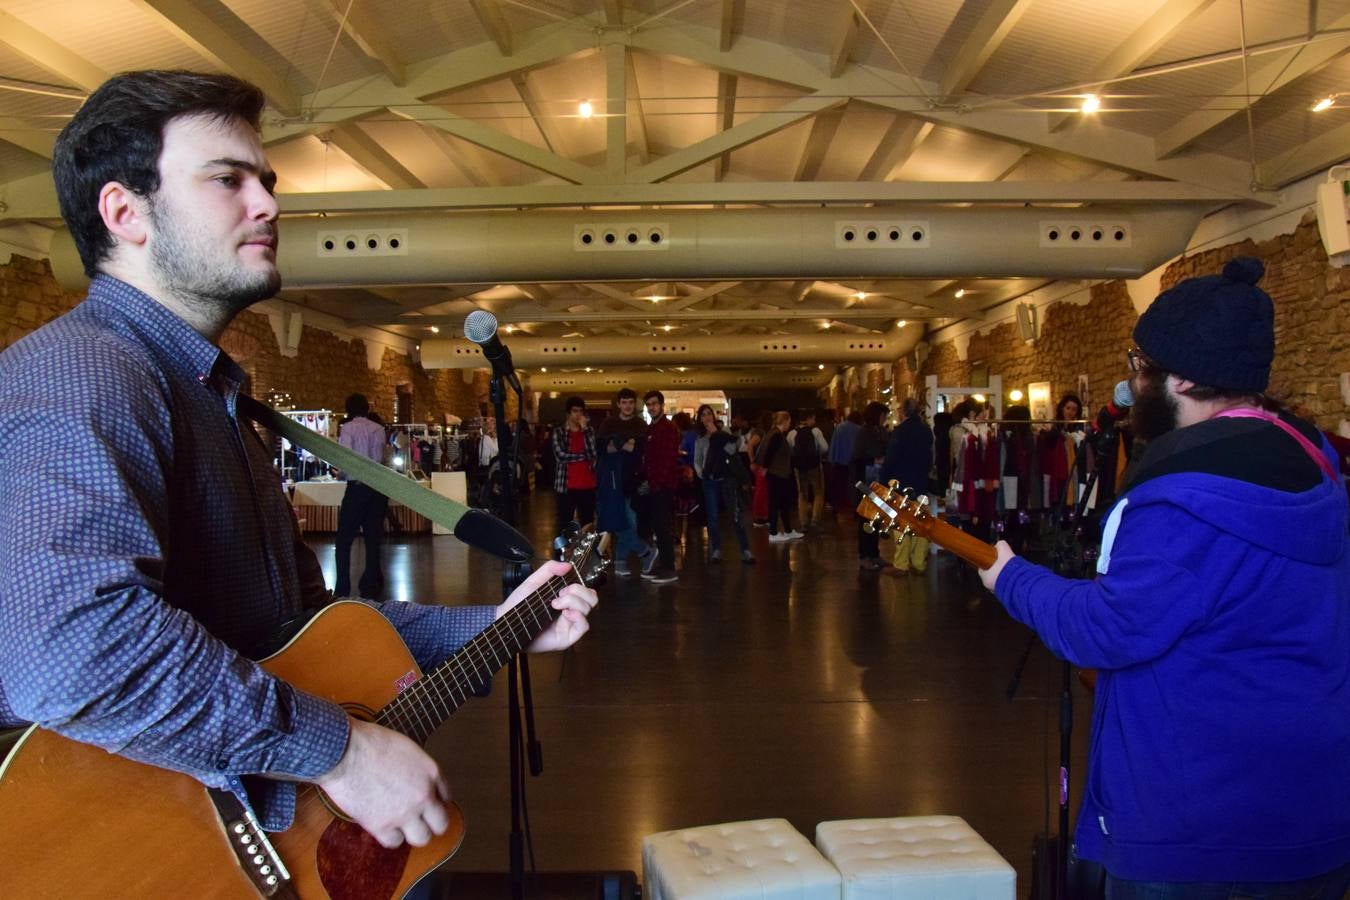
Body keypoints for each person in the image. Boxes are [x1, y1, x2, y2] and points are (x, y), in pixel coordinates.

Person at [0, 70, 597, 853]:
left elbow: (303, 633)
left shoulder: (205, 393)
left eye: (267, 181)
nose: (270, 205)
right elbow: (74, 650)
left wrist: (496, 626)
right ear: (124, 212)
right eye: (228, 180)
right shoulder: (87, 373)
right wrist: (342, 751)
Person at [979, 258, 1350, 896]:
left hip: (1195, 830)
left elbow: (1106, 629)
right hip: (1312, 814)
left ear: (1178, 378)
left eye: (1137, 367)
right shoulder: (1315, 463)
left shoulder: (1180, 497)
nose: (1129, 388)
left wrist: (1013, 578)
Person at [334, 392, 389, 599]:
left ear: (349, 409)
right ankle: (370, 586)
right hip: (376, 489)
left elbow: (346, 457)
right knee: (373, 538)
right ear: (366, 408)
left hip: (356, 488)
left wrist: (341, 473)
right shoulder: (379, 429)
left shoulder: (347, 429)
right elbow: (379, 459)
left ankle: (342, 588)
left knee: (344, 540)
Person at [596, 388, 656, 577]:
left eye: (631, 402)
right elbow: (602, 448)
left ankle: (621, 562)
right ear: (618, 404)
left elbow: (639, 449)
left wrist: (617, 443)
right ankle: (645, 552)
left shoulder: (640, 424)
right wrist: (626, 443)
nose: (628, 406)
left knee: (628, 520)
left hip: (632, 480)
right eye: (624, 402)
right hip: (611, 480)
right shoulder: (608, 423)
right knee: (619, 521)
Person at [693, 404, 754, 564]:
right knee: (712, 517)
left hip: (727, 479)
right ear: (700, 419)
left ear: (713, 416)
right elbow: (697, 461)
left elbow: (732, 450)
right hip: (710, 481)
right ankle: (717, 549)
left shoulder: (723, 432)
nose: (706, 417)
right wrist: (703, 474)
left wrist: (716, 434)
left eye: (709, 414)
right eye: (703, 415)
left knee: (735, 515)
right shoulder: (700, 439)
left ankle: (745, 549)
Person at [881, 397, 933, 575]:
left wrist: (884, 479)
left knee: (902, 522)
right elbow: (929, 458)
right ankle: (919, 561)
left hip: (902, 481)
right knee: (920, 522)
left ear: (903, 412)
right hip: (921, 482)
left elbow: (891, 459)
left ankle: (901, 563)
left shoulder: (900, 432)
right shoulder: (926, 431)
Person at [640, 390, 680, 585]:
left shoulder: (668, 428)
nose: (651, 407)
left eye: (654, 404)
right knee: (658, 526)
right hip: (655, 485)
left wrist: (654, 484)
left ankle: (669, 568)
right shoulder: (652, 428)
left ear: (662, 405)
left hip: (662, 486)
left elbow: (667, 460)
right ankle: (665, 564)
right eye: (649, 404)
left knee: (662, 527)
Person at [851, 402, 890, 569]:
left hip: (878, 481)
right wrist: (875, 460)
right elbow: (857, 458)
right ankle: (865, 555)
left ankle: (874, 553)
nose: (885, 419)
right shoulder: (864, 432)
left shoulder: (879, 431)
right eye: (883, 415)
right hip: (866, 482)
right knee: (867, 519)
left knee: (876, 519)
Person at [551, 396, 597, 532]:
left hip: (588, 485)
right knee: (565, 525)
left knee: (587, 525)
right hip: (566, 486)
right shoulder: (559, 432)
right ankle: (563, 553)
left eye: (581, 411)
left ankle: (585, 553)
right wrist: (583, 456)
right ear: (568, 413)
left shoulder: (588, 432)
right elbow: (561, 456)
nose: (578, 415)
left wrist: (585, 430)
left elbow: (593, 454)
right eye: (575, 411)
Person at [760, 410, 802, 542]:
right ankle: (773, 532)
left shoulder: (772, 433)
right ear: (784, 421)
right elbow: (769, 454)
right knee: (776, 503)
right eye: (789, 421)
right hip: (777, 474)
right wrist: (765, 468)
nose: (790, 423)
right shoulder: (777, 435)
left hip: (778, 473)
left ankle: (788, 530)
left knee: (782, 503)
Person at [788, 409, 828, 530]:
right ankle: (815, 520)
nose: (814, 421)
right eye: (813, 418)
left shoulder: (792, 433)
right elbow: (825, 448)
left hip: (799, 468)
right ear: (809, 418)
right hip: (814, 466)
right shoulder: (815, 431)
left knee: (802, 493)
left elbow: (790, 450)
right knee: (818, 492)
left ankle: (803, 522)